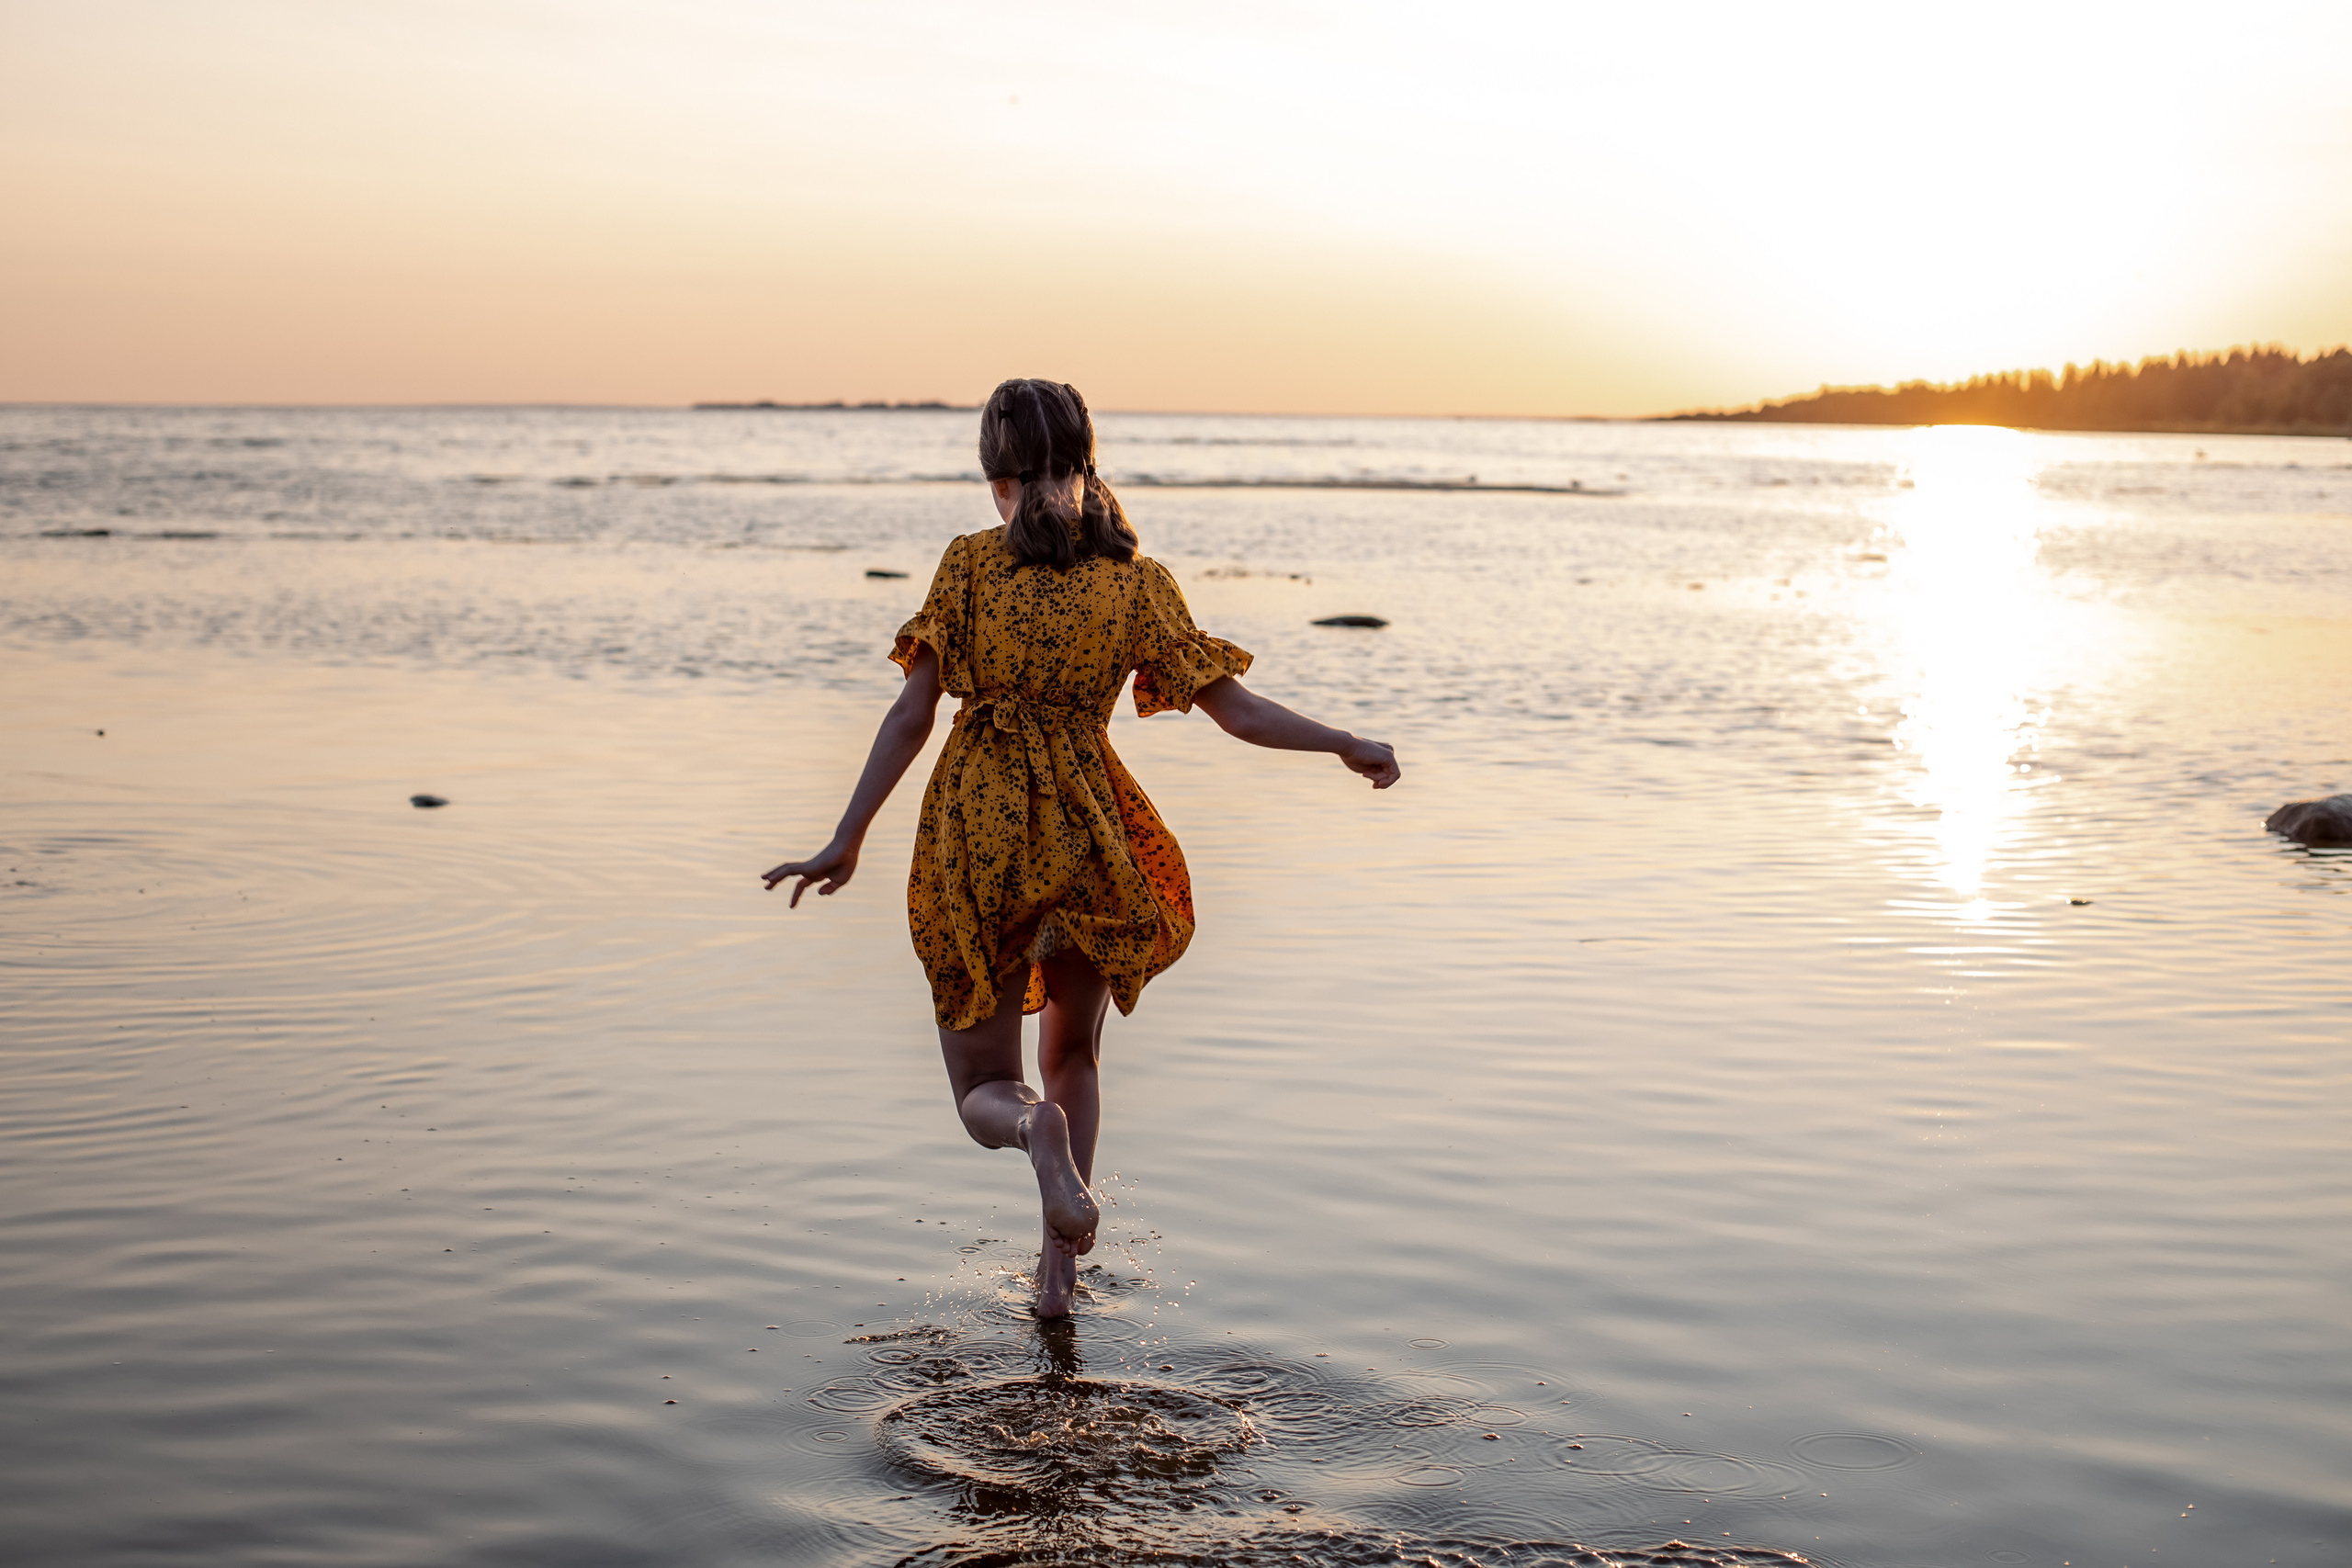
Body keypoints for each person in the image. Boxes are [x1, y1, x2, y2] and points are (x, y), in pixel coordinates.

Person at [763, 379, 1398, 1317]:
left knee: (989, 1086)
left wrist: (844, 837)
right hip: (1088, 829)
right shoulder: (1137, 582)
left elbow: (910, 714)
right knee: (1077, 1057)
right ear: (1085, 458)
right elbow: (1237, 711)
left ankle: (1034, 1137)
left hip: (977, 828)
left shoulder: (971, 566)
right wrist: (1343, 741)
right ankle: (1059, 1277)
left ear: (996, 470)